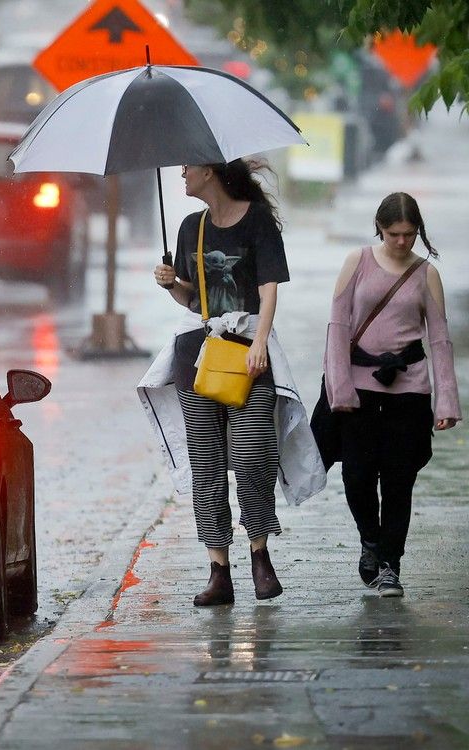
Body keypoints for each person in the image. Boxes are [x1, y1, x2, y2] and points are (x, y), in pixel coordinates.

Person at [137, 159, 326, 607]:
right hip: (197, 357)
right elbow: (193, 298)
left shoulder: (257, 220)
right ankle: (218, 568)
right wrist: (171, 285)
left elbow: (269, 288)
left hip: (248, 354)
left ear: (211, 172)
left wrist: (260, 342)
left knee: (252, 455)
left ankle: (260, 555)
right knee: (205, 466)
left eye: (189, 167)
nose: (181, 174)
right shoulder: (190, 227)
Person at [324, 192, 460, 597]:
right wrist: (340, 387)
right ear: (379, 227)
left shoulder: (426, 273)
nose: (403, 242)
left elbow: (439, 340)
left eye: (411, 234)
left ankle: (389, 565)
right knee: (357, 477)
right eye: (395, 233)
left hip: (409, 392)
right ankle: (370, 538)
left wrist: (447, 401)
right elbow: (337, 328)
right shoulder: (357, 262)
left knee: (399, 481)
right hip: (360, 391)